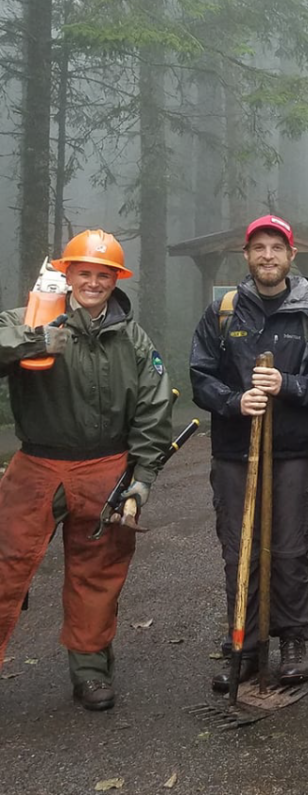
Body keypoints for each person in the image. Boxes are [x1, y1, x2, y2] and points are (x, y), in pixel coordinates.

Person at [0, 229, 173, 711]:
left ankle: (91, 672)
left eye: (103, 275)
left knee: (98, 574)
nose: (93, 283)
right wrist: (32, 340)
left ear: (116, 280)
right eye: (84, 273)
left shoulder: (134, 339)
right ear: (66, 273)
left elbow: (154, 410)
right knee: (6, 564)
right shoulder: (31, 318)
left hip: (105, 467)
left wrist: (142, 478)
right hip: (35, 465)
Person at [191, 214, 308, 693]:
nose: (268, 256)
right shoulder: (224, 311)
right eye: (260, 248)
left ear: (292, 256)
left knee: (291, 548)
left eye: (277, 247)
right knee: (241, 550)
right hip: (236, 452)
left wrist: (288, 385)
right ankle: (245, 645)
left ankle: (293, 639)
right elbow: (200, 376)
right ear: (247, 255)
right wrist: (234, 401)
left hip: (293, 451)